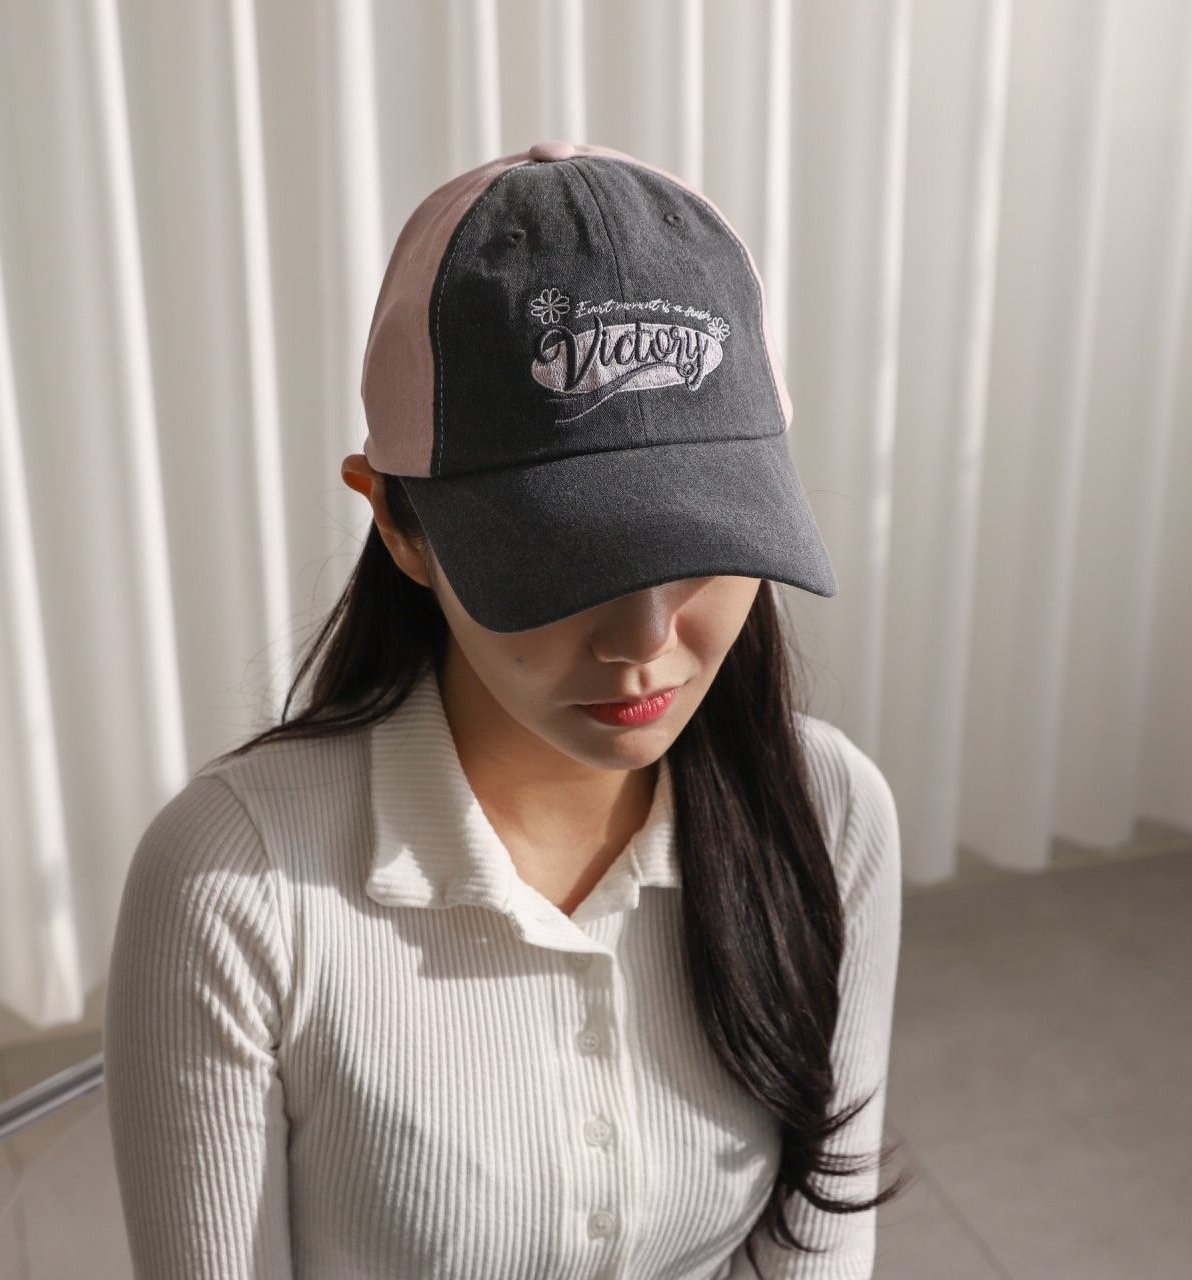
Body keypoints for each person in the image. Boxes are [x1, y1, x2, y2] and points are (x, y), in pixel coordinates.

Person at [103, 139, 912, 1280]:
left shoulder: (827, 811)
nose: (642, 642)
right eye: (565, 559)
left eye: (704, 541)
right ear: (399, 525)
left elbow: (817, 1249)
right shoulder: (237, 886)